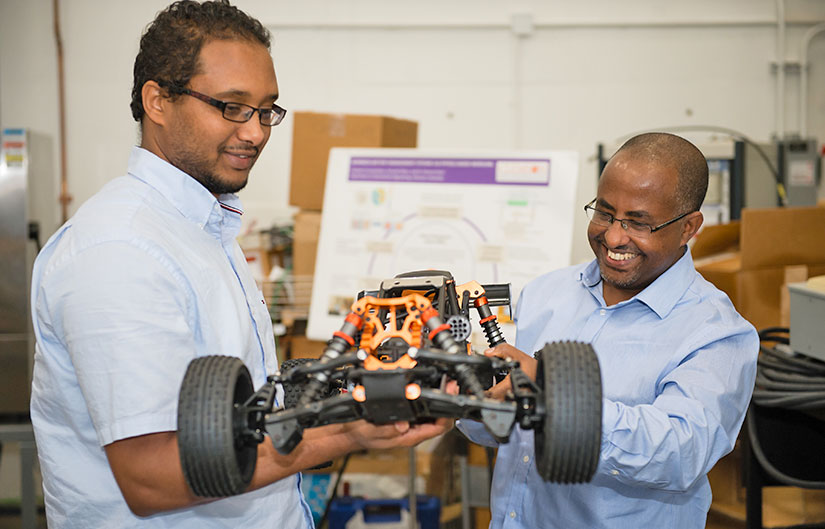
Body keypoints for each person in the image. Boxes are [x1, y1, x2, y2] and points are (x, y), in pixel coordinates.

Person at [29, 2, 450, 527]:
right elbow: (150, 475)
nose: (255, 132)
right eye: (232, 106)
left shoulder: (202, 228)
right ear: (157, 101)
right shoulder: (119, 250)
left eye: (266, 109)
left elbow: (231, 418)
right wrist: (352, 431)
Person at [458, 132, 759, 528]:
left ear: (689, 228)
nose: (614, 237)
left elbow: (679, 453)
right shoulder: (547, 293)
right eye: (604, 212)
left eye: (639, 223)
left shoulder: (716, 332)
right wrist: (468, 391)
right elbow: (507, 431)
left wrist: (552, 393)